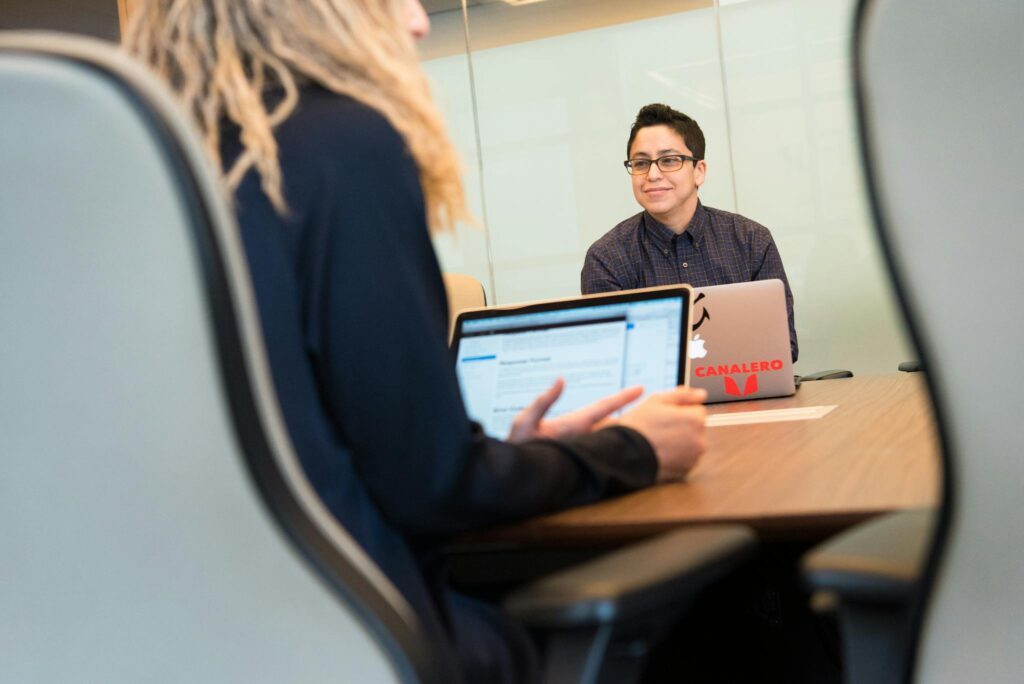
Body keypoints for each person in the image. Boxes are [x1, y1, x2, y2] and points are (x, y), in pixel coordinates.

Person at [127, 2, 708, 682]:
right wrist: (630, 449)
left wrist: (509, 454)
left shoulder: (150, 164)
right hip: (363, 634)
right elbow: (431, 490)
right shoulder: (341, 145)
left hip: (196, 638)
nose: (417, 21)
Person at [582, 103, 799, 362]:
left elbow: (783, 346)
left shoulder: (751, 240)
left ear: (699, 171)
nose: (652, 174)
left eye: (669, 160)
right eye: (640, 163)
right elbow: (611, 360)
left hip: (747, 393)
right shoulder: (607, 258)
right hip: (655, 402)